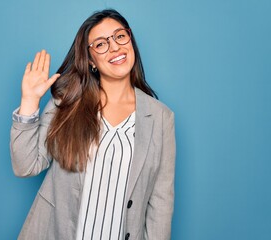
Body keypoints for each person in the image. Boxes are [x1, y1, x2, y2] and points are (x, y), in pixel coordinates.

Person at [10, 9, 176, 240]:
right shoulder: (68, 101)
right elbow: (26, 166)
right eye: (100, 44)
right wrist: (29, 101)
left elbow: (161, 202)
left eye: (120, 36)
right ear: (90, 60)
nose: (115, 47)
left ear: (130, 40)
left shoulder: (161, 117)